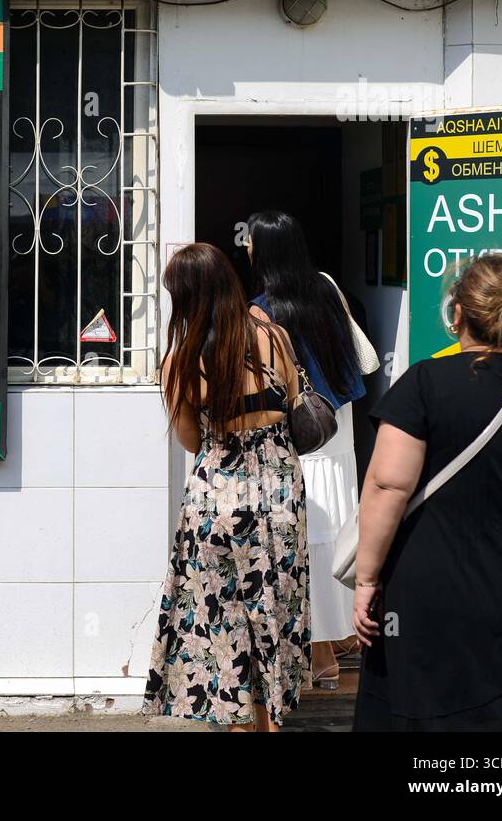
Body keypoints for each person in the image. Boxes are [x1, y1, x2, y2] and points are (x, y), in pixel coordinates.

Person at [353, 254, 502, 730]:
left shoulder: (422, 384)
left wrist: (366, 580)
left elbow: (387, 485)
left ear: (457, 314)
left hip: (427, 593)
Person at [144, 242, 309, 732]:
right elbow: (297, 403)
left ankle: (235, 722)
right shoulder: (274, 335)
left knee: (222, 617)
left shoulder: (182, 359)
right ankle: (271, 720)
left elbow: (191, 439)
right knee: (274, 608)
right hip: (278, 491)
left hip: (218, 494)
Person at [246, 210, 370, 689]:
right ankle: (342, 635)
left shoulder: (260, 310)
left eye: (252, 242)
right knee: (339, 528)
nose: (247, 249)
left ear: (268, 251)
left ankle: (320, 652)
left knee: (311, 537)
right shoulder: (326, 288)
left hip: (301, 431)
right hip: (338, 425)